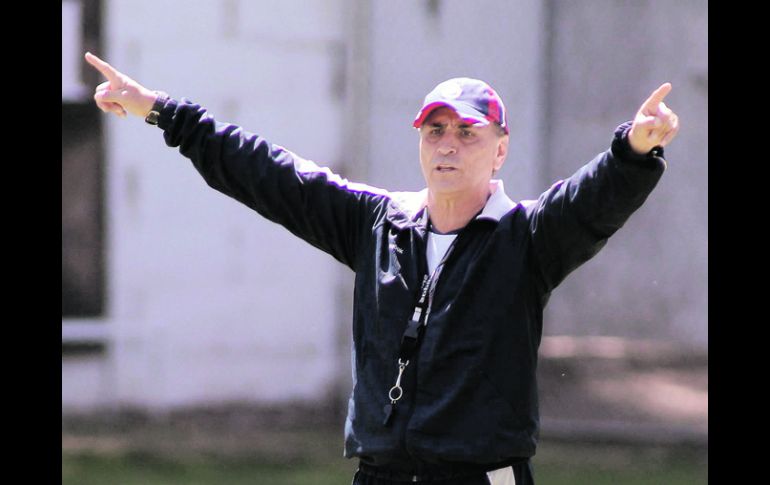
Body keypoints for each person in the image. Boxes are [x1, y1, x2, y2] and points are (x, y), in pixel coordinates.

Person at [85, 51, 679, 485]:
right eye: (435, 130)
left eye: (467, 132)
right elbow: (269, 174)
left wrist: (634, 149)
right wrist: (162, 111)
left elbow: (592, 200)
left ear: (500, 150)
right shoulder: (377, 223)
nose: (448, 144)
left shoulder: (525, 237)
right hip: (380, 474)